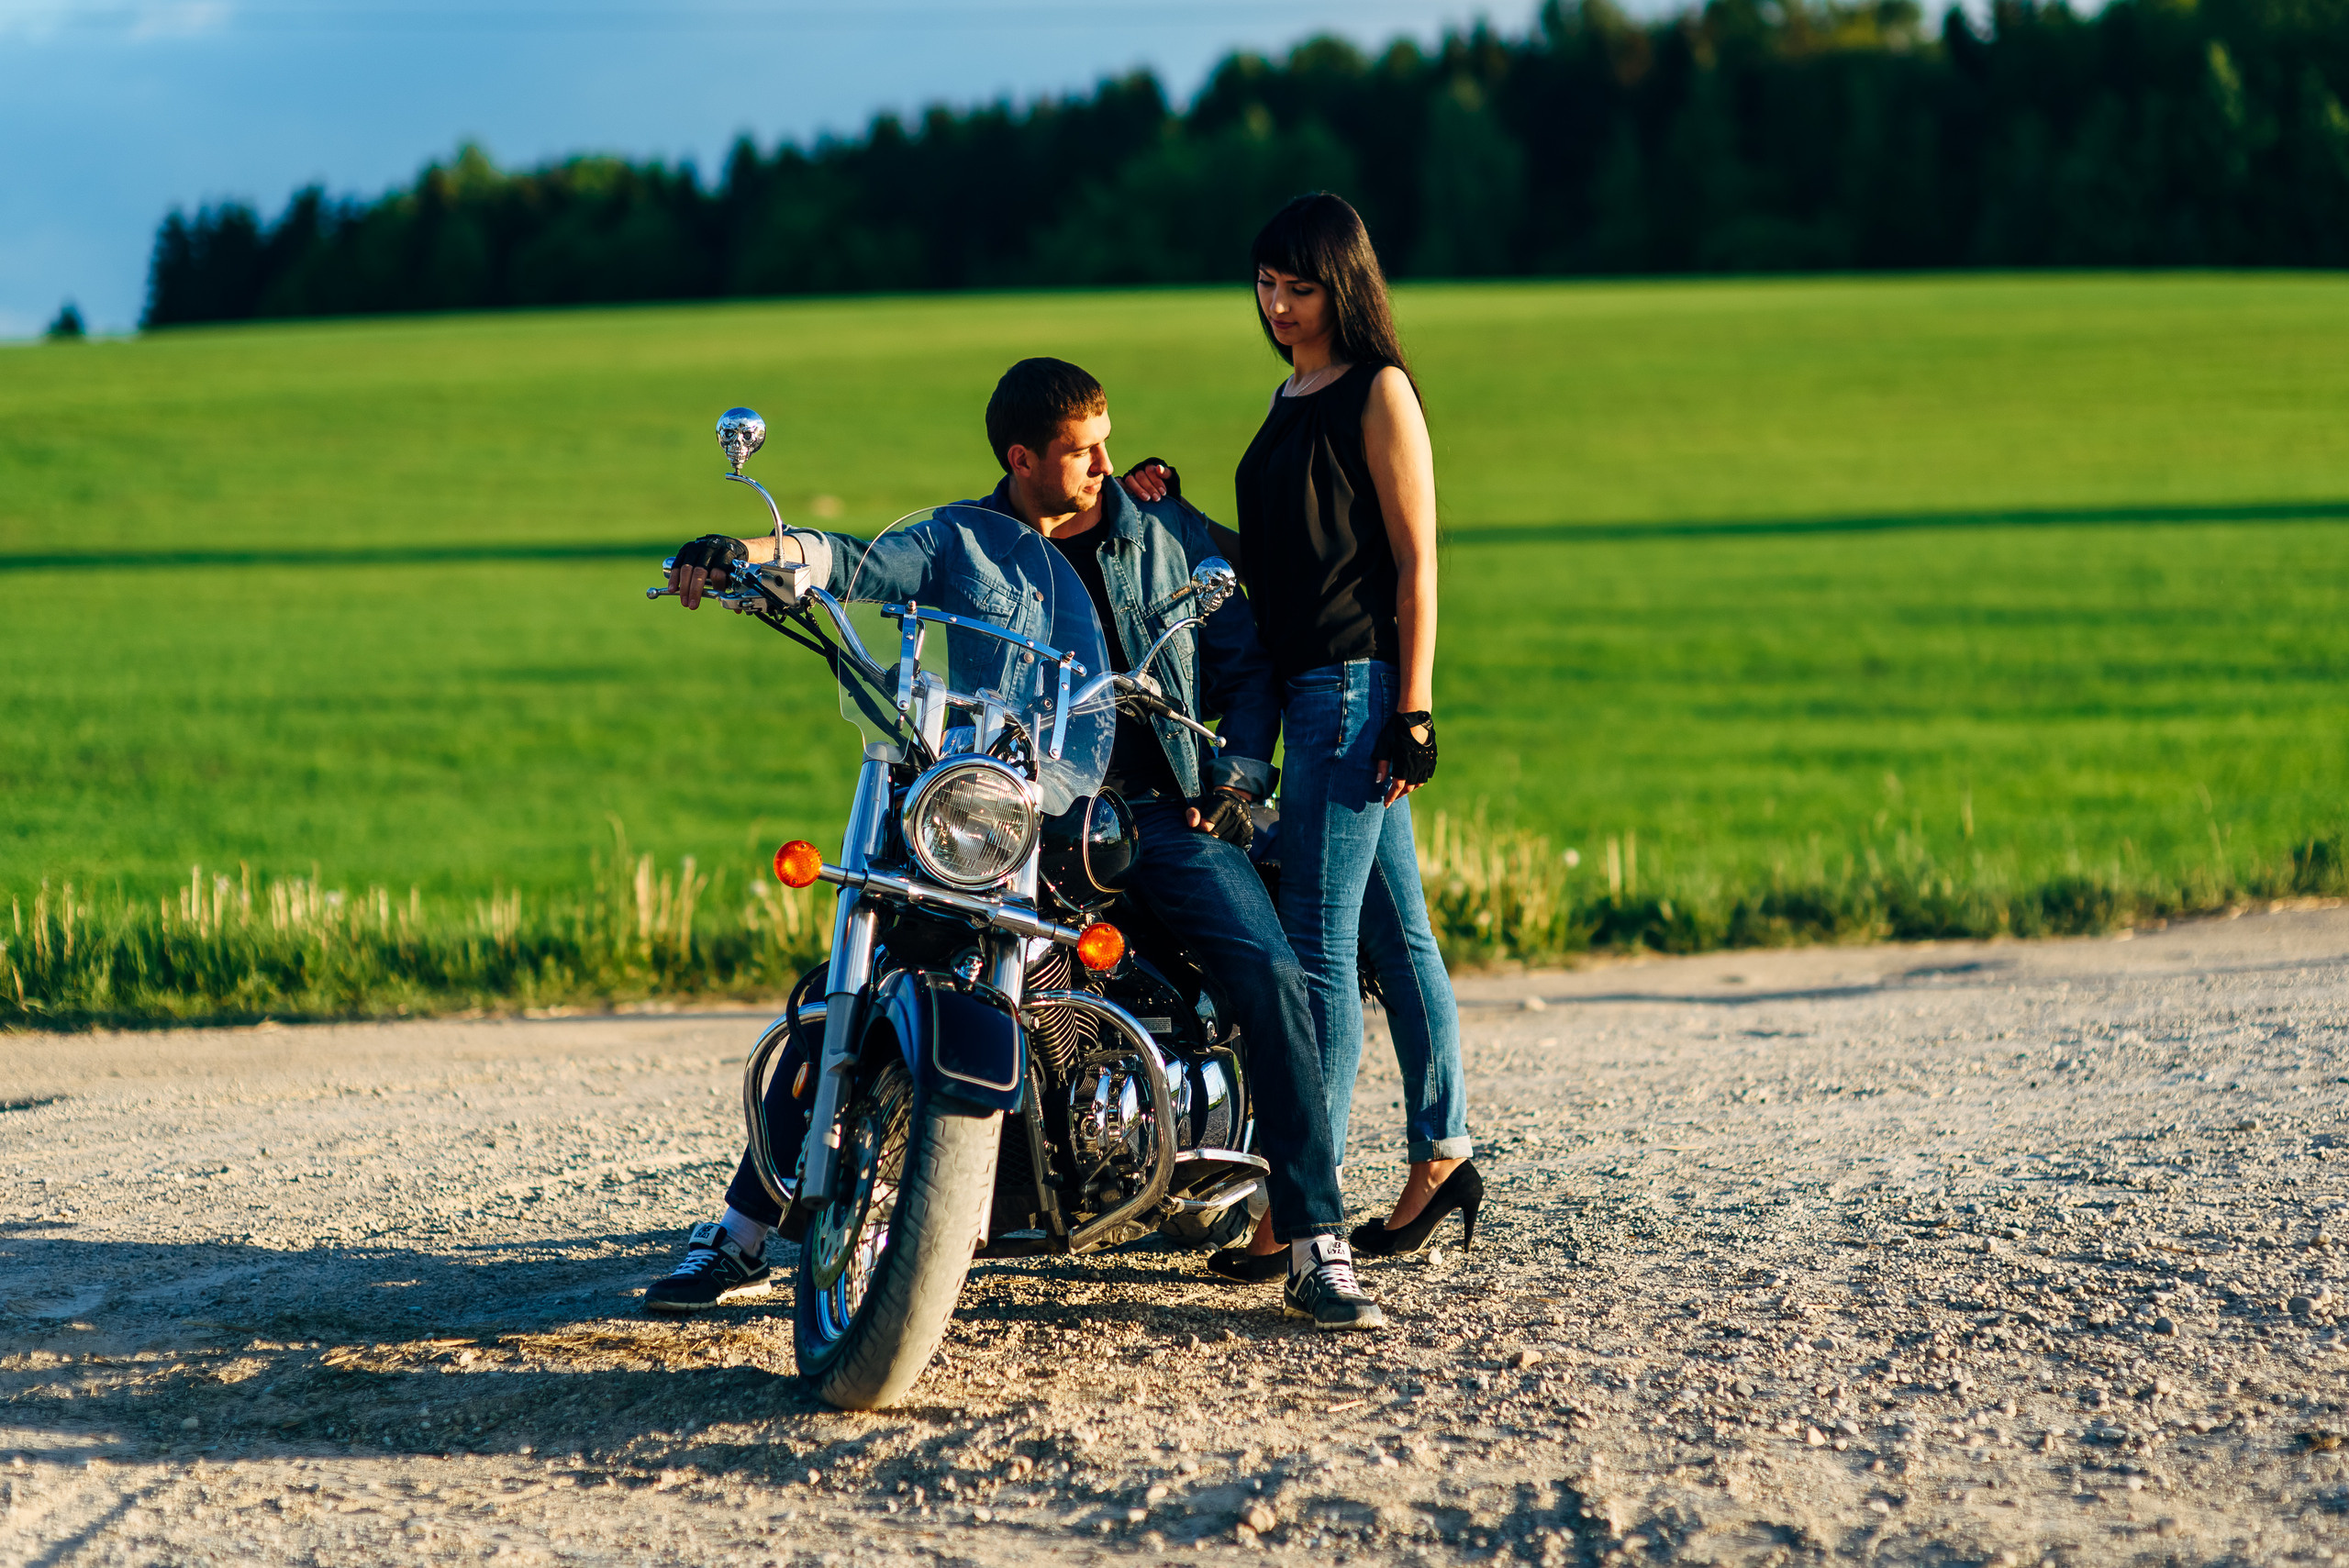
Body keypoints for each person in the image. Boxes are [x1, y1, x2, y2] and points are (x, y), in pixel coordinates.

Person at [646, 357, 1384, 1329]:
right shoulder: (965, 541)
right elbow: (850, 561)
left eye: (1107, 442)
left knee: (1269, 971)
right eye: (1081, 451)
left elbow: (1243, 661)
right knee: (854, 982)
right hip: (1006, 806)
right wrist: (740, 550)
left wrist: (1237, 772)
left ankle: (1314, 1237)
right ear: (1021, 457)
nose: (1103, 465)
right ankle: (743, 1229)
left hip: (1151, 807)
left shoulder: (1155, 532)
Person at [1137, 193, 1479, 1276]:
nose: (1278, 306)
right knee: (1395, 935)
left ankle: (1297, 1206)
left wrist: (1414, 708)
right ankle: (1442, 1151)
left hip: (1353, 690)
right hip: (1307, 688)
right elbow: (1279, 566)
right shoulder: (1290, 395)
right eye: (1265, 286)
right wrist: (1178, 513)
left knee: (1319, 955)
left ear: (1344, 283)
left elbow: (1417, 559)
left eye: (1298, 286)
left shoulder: (1378, 391)